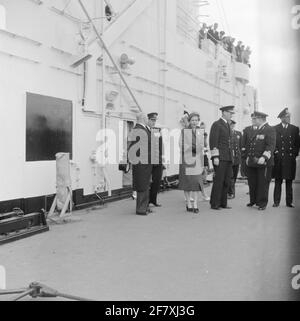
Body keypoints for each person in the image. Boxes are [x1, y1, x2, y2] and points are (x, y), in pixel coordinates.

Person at [245, 111, 276, 211]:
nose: (252, 120)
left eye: (254, 119)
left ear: (260, 119)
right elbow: (252, 145)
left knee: (262, 183)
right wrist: (248, 157)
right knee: (253, 182)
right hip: (253, 162)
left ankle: (262, 203)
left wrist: (264, 157)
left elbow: (270, 146)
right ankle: (253, 200)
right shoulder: (258, 129)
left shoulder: (269, 129)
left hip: (263, 162)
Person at [272, 108, 300, 208]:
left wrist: (294, 154)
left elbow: (297, 144)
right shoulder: (275, 128)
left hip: (289, 159)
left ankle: (289, 202)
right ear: (282, 118)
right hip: (279, 159)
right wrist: (276, 152)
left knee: (289, 181)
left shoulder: (295, 129)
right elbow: (273, 143)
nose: (289, 118)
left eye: (289, 116)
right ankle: (276, 201)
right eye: (287, 117)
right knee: (278, 181)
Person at [209, 105, 235, 210]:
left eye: (232, 113)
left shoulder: (227, 125)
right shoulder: (217, 124)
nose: (231, 115)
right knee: (219, 181)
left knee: (226, 181)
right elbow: (213, 141)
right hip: (220, 157)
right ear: (224, 112)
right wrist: (215, 156)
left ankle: (223, 203)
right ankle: (215, 203)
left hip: (228, 157)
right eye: (230, 113)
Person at [178, 112, 204, 214]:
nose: (194, 122)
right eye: (192, 120)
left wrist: (198, 149)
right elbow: (181, 144)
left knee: (197, 182)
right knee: (187, 182)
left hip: (197, 159)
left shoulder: (200, 131)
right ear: (189, 121)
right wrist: (193, 148)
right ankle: (188, 203)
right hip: (186, 159)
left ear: (198, 121)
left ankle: (196, 204)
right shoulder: (184, 131)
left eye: (196, 120)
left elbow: (202, 144)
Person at [128, 113, 153, 216]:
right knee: (142, 185)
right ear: (142, 118)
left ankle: (145, 206)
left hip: (144, 162)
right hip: (142, 162)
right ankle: (141, 209)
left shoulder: (142, 129)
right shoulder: (139, 129)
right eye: (147, 118)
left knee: (145, 184)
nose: (148, 119)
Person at [147, 112, 164, 207]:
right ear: (148, 120)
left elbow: (159, 146)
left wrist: (161, 159)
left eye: (155, 120)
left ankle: (153, 200)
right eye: (152, 120)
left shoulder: (157, 131)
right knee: (148, 182)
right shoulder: (145, 131)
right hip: (148, 160)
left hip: (158, 160)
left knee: (157, 180)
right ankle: (147, 201)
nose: (154, 122)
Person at [228, 120, 242, 199]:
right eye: (230, 125)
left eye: (233, 125)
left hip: (237, 158)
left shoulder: (238, 133)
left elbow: (240, 146)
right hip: (230, 158)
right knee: (231, 176)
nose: (232, 126)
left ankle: (231, 190)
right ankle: (231, 192)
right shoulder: (227, 133)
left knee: (235, 175)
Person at [241, 113, 258, 179]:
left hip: (257, 154)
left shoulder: (261, 129)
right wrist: (244, 154)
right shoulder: (247, 129)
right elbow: (243, 142)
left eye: (255, 119)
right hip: (248, 154)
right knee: (249, 174)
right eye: (253, 119)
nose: (253, 120)